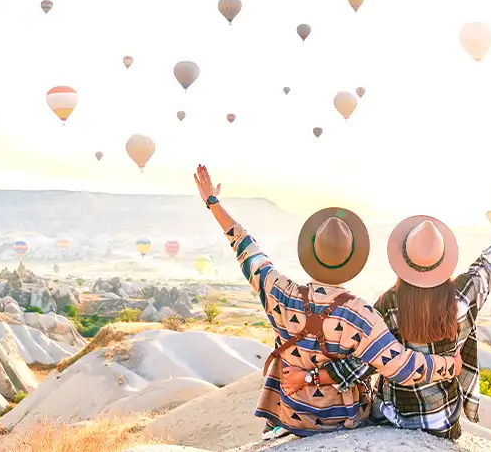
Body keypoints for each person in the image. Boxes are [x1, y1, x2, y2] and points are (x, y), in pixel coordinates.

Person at [192, 165, 464, 441]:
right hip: (341, 421)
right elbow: (402, 367)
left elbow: (247, 249)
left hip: (292, 413)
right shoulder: (359, 315)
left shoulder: (280, 292)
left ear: (310, 253)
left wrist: (212, 203)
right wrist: (447, 365)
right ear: (353, 262)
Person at [282, 184, 491, 439]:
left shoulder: (388, 305)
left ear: (402, 259)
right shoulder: (463, 295)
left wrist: (310, 377)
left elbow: (361, 364)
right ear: (443, 261)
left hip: (392, 417)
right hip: (442, 420)